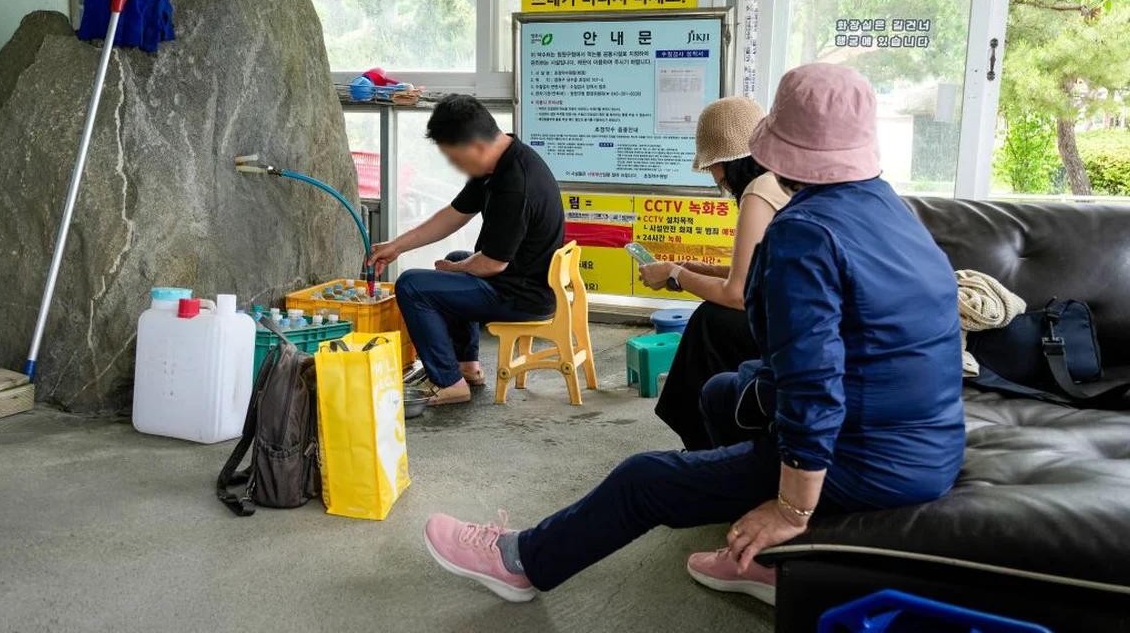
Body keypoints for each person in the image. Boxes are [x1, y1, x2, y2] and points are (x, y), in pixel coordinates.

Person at [421, 63, 966, 604]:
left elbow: (812, 383)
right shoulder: (889, 206)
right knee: (722, 390)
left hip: (865, 459)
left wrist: (790, 509)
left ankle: (521, 562)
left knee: (644, 479)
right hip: (932, 448)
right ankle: (759, 551)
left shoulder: (805, 231)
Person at [369, 96, 564, 406]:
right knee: (458, 259)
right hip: (525, 281)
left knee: (412, 286)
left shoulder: (515, 184)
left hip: (523, 297)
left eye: (455, 158)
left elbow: (492, 264)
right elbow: (454, 214)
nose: (455, 166)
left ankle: (449, 383)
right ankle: (466, 367)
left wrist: (454, 271)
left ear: (476, 146)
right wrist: (396, 246)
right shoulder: (500, 161)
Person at [637, 97, 789, 450]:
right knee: (712, 319)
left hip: (789, 325)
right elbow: (755, 271)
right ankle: (705, 430)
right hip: (807, 315)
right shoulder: (781, 180)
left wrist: (676, 274)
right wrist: (695, 271)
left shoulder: (759, 191)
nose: (713, 176)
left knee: (711, 322)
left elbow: (738, 294)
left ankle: (700, 440)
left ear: (729, 161)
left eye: (714, 166)